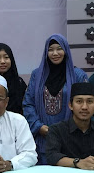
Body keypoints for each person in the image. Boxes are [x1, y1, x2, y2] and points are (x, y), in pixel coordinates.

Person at [23, 33, 88, 164]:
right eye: (51, 49)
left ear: (66, 51)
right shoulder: (37, 75)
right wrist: (39, 127)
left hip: (71, 137)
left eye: (59, 49)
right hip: (42, 139)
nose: (55, 53)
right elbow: (28, 103)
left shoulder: (78, 76)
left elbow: (85, 105)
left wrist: (68, 129)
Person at [46, 83, 94, 169]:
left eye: (90, 101)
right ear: (70, 105)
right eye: (79, 101)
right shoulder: (56, 130)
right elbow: (51, 156)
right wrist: (78, 162)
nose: (84, 107)